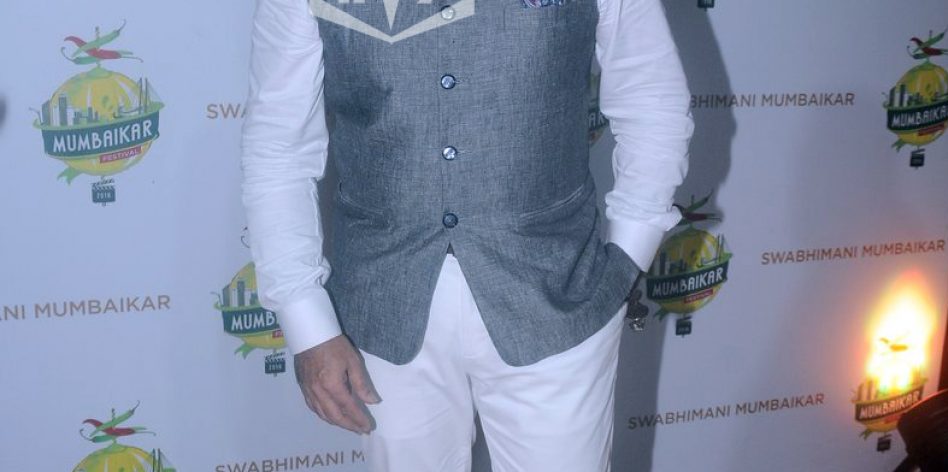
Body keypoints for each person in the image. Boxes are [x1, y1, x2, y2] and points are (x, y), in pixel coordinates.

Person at [239, 0, 693, 470]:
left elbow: (651, 97)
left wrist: (630, 253)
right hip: (381, 305)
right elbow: (278, 148)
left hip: (561, 294)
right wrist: (306, 323)